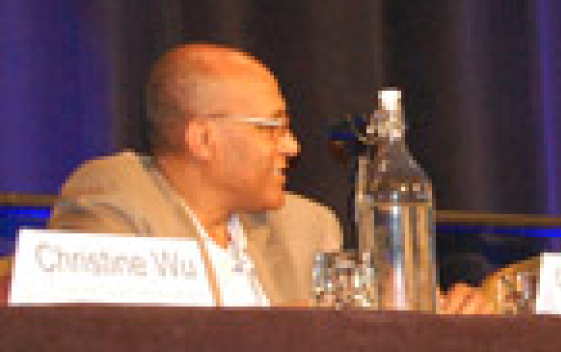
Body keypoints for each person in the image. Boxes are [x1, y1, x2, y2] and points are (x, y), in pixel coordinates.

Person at [47, 43, 489, 313]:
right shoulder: (115, 195)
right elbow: (101, 342)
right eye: (272, 128)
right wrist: (286, 327)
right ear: (204, 138)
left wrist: (438, 308)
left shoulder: (308, 227)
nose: (292, 146)